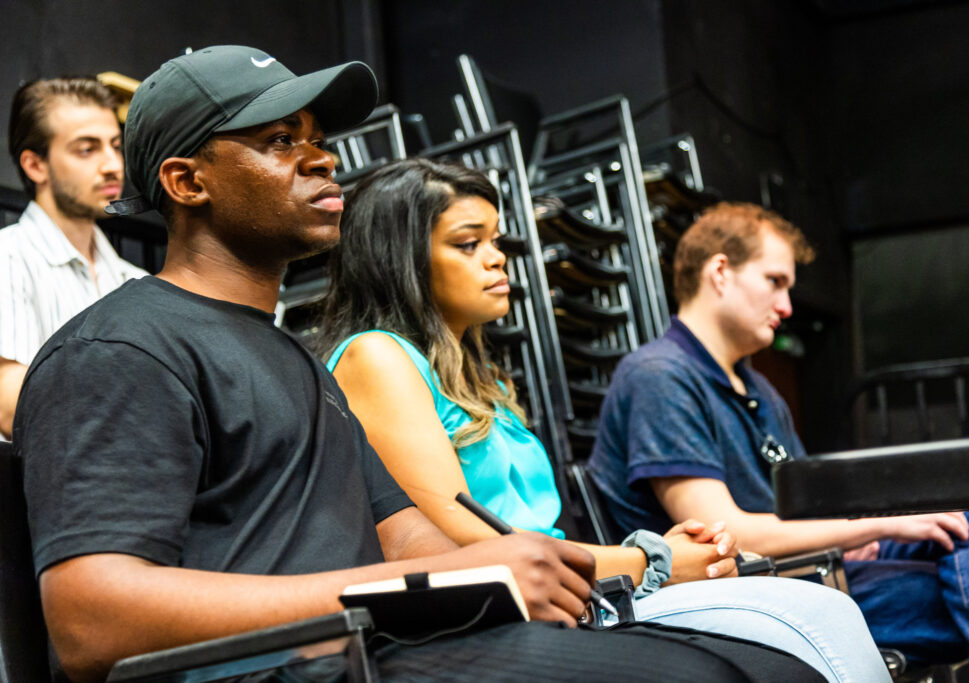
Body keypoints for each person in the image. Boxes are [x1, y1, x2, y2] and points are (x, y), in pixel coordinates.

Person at [14, 47, 826, 683]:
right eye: (276, 142)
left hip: (363, 653)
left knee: (767, 660)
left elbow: (409, 542)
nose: (322, 159)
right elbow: (90, 621)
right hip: (289, 669)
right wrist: (397, 596)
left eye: (317, 140)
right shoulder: (120, 348)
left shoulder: (296, 359)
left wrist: (573, 561)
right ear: (187, 181)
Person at [315, 159, 890, 683]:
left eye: (495, 240)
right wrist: (654, 560)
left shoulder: (480, 377)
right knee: (818, 615)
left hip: (569, 589)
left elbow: (536, 540)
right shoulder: (376, 356)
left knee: (813, 621)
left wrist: (654, 555)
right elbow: (455, 540)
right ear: (400, 259)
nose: (496, 257)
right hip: (506, 609)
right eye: (468, 244)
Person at [587, 201, 969, 682]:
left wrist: (859, 529)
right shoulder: (658, 376)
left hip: (819, 563)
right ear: (720, 272)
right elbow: (725, 534)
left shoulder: (758, 389)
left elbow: (808, 511)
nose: (787, 307)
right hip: (752, 586)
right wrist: (874, 526)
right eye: (775, 282)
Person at [0, 77, 147, 438]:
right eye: (87, 149)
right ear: (36, 166)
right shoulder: (8, 256)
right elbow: (10, 406)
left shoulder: (137, 282)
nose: (113, 165)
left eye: (115, 146)